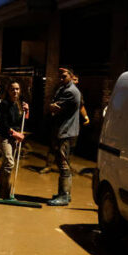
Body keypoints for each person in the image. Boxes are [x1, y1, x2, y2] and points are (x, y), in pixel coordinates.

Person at [47, 67, 81, 206]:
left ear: (71, 76)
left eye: (64, 76)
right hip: (63, 130)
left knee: (63, 162)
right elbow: (52, 104)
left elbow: (54, 107)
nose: (61, 79)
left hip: (67, 132)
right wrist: (52, 105)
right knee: (62, 161)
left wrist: (53, 106)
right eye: (60, 76)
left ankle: (64, 195)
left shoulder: (71, 91)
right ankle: (64, 192)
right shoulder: (62, 89)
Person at [0, 81, 29, 198]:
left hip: (14, 138)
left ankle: (2, 192)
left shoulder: (18, 104)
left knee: (6, 163)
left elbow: (20, 122)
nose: (15, 91)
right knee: (9, 163)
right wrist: (15, 134)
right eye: (12, 89)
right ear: (8, 91)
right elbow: (2, 124)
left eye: (17, 89)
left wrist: (27, 112)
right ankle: (6, 190)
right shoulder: (3, 104)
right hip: (5, 137)